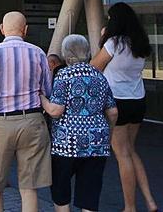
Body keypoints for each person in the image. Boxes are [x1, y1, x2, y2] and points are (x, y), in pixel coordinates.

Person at [0, 11, 51, 212]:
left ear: (1, 29)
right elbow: (48, 91)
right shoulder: (38, 53)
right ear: (25, 30)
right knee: (29, 187)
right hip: (32, 120)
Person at [91, 2, 159, 212]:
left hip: (116, 101)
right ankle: (150, 201)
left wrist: (102, 38)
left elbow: (94, 66)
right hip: (137, 100)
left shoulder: (113, 43)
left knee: (121, 154)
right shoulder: (140, 43)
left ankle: (130, 207)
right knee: (130, 150)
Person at [42, 34, 118, 212]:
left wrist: (42, 99)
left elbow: (55, 110)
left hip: (66, 144)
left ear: (66, 55)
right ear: (88, 52)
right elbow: (113, 112)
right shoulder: (99, 76)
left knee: (61, 191)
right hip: (97, 144)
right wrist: (108, 133)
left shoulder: (64, 76)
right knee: (89, 194)